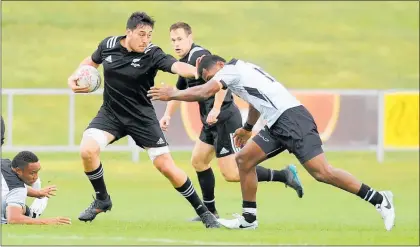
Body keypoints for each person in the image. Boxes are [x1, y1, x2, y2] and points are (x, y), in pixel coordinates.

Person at [147, 55, 396, 231]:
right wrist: (246, 128)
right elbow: (255, 102)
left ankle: (379, 199)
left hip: (292, 119)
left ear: (220, 65)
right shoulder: (243, 70)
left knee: (322, 173)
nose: (211, 82)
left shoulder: (230, 71)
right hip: (277, 122)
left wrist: (174, 94)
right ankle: (249, 218)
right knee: (243, 159)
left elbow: (204, 92)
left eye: (210, 76)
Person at [67, 12, 219, 228]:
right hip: (111, 114)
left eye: (149, 35)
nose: (145, 39)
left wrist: (198, 73)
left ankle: (205, 213)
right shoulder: (108, 44)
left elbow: (176, 66)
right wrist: (73, 76)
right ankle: (102, 200)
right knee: (87, 150)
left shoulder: (152, 53)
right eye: (141, 34)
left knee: (166, 167)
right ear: (128, 32)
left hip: (141, 117)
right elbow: (90, 62)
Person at [161, 22, 303, 221]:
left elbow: (222, 81)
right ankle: (209, 213)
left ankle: (284, 175)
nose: (176, 44)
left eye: (180, 39)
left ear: (190, 38)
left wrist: (217, 108)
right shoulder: (185, 61)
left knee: (232, 174)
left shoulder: (198, 56)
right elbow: (179, 91)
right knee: (199, 161)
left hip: (225, 118)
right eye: (173, 40)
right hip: (210, 121)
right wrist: (167, 115)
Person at [1, 150, 71, 225]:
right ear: (18, 170)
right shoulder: (18, 189)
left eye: (37, 172)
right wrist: (48, 221)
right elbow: (13, 219)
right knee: (19, 208)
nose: (36, 177)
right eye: (32, 173)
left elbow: (8, 189)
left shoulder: (4, 162)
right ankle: (32, 215)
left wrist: (37, 193)